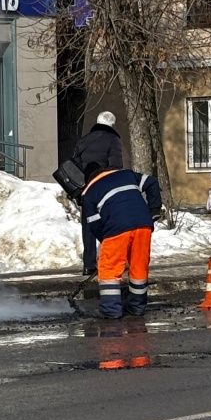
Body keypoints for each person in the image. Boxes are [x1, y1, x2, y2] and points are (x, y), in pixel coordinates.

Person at [80, 162, 162, 319]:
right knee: (139, 266)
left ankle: (111, 309)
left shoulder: (89, 192)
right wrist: (154, 209)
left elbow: (94, 224)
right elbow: (152, 182)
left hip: (117, 226)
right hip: (143, 224)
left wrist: (106, 242)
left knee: (109, 268)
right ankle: (137, 307)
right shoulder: (127, 174)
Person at [72, 111, 124, 275]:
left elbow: (75, 167)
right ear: (112, 125)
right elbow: (116, 167)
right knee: (109, 226)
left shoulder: (83, 141)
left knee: (88, 227)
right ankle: (108, 262)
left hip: (87, 190)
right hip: (105, 190)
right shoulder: (113, 140)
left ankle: (88, 265)